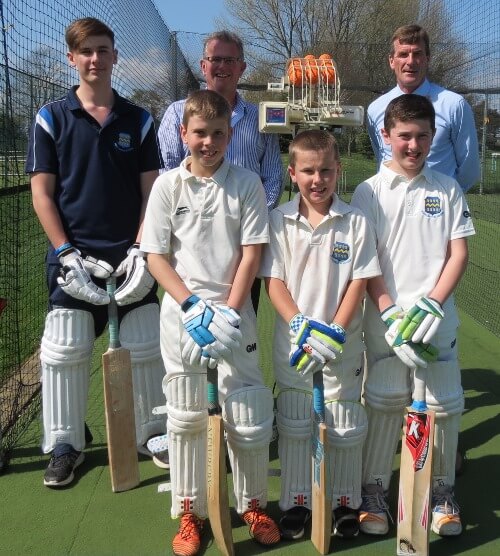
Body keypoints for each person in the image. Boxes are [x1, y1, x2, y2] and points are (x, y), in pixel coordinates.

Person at [25, 17, 167, 487]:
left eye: (103, 50)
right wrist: (65, 252)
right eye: (86, 52)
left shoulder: (139, 119)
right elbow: (42, 192)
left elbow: (153, 193)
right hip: (74, 258)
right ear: (72, 58)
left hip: (130, 257)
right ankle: (65, 445)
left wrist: (143, 251)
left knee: (145, 344)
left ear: (114, 56)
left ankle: (152, 432)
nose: (95, 59)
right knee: (65, 350)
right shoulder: (51, 116)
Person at [141, 89, 280, 556]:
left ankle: (253, 504)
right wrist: (191, 307)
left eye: (218, 134)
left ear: (230, 134)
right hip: (182, 317)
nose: (208, 142)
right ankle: (190, 512)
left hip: (233, 315)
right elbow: (156, 256)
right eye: (199, 133)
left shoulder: (246, 183)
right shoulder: (166, 186)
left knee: (246, 414)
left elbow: (251, 253)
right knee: (185, 418)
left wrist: (227, 309)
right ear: (184, 134)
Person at [351, 94, 475, 538]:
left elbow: (457, 253)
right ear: (386, 136)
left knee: (444, 404)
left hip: (436, 320)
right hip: (386, 322)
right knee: (384, 399)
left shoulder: (446, 187)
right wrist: (388, 312)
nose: (413, 145)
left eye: (423, 135)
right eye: (404, 136)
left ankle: (441, 492)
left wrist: (433, 303)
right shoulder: (369, 191)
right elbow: (365, 262)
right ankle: (375, 490)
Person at [260, 130, 381, 540]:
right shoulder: (278, 220)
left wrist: (334, 331)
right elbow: (273, 282)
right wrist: (298, 324)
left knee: (343, 419)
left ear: (338, 171)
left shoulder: (356, 221)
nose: (318, 180)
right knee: (295, 419)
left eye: (325, 170)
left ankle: (344, 500)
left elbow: (359, 283)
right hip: (294, 345)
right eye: (308, 171)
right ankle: (297, 499)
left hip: (341, 345)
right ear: (292, 173)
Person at [157, 30, 283, 311]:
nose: (222, 67)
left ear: (242, 67)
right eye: (216, 59)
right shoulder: (178, 113)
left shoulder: (261, 118)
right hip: (191, 241)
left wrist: (251, 220)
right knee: (190, 323)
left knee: (238, 324)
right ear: (203, 66)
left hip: (243, 241)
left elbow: (273, 177)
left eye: (230, 60)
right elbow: (167, 173)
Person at [367, 24, 480, 193]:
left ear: (428, 58)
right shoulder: (375, 109)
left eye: (417, 53)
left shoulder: (454, 105)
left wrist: (445, 200)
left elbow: (469, 170)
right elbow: (382, 157)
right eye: (403, 54)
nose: (410, 61)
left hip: (438, 212)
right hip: (388, 212)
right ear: (392, 61)